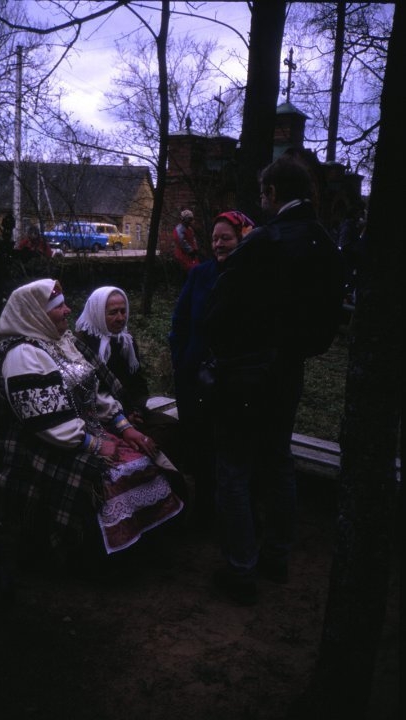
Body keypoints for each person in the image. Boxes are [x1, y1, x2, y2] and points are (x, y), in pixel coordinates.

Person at [205, 155, 345, 605]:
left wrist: (225, 352)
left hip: (248, 372)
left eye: (264, 193)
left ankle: (241, 569)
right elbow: (328, 319)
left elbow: (220, 309)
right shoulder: (324, 244)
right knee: (278, 460)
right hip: (289, 370)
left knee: (234, 467)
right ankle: (276, 557)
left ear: (271, 193)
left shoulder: (266, 242)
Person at [0, 278, 183, 564]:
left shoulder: (62, 342)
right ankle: (93, 554)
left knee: (145, 453)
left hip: (77, 431)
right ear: (36, 315)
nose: (68, 310)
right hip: (33, 443)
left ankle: (140, 538)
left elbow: (95, 391)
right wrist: (93, 444)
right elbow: (46, 422)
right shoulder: (23, 355)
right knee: (103, 476)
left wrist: (124, 427)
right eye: (59, 306)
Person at [169, 210, 255, 528]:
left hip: (234, 382)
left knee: (230, 451)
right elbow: (179, 322)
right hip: (195, 378)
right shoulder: (200, 274)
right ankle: (203, 509)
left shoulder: (254, 277)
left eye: (226, 238)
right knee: (199, 445)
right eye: (215, 238)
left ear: (243, 239)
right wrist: (182, 361)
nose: (219, 244)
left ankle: (236, 517)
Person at [75, 286, 185, 476]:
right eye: (113, 313)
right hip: (99, 415)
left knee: (173, 425)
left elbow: (137, 383)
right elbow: (91, 393)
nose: (120, 318)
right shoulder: (82, 346)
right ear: (97, 313)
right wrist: (123, 417)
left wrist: (136, 411)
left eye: (123, 311)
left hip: (130, 409)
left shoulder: (125, 341)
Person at [172, 209, 200, 274]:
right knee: (189, 271)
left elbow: (193, 239)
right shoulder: (179, 230)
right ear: (184, 219)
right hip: (183, 255)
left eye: (191, 219)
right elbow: (181, 242)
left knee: (196, 269)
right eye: (189, 219)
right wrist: (190, 250)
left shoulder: (189, 229)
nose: (190, 221)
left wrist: (195, 249)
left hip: (191, 255)